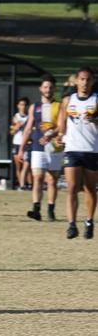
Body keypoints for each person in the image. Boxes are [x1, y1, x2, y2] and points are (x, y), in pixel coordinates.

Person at [55, 66, 98, 239]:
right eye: (82, 79)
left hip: (92, 150)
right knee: (71, 187)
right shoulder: (68, 100)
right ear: (76, 81)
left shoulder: (96, 100)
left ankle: (89, 221)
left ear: (93, 82)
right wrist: (59, 136)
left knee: (90, 188)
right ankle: (71, 225)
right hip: (72, 149)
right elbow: (61, 124)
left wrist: (95, 120)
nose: (85, 83)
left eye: (88, 79)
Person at [19, 76, 62, 222]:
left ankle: (51, 209)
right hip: (37, 148)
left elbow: (61, 126)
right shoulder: (34, 107)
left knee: (52, 181)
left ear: (54, 89)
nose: (48, 90)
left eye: (50, 87)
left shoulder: (59, 106)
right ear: (40, 89)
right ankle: (36, 209)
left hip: (55, 148)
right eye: (45, 87)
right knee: (37, 178)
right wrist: (21, 148)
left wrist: (52, 135)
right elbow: (28, 128)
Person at [11, 97, 31, 190]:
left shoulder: (30, 117)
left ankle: (29, 184)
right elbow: (12, 132)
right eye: (21, 105)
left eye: (25, 105)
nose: (23, 107)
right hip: (17, 143)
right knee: (18, 166)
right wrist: (17, 126)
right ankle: (21, 185)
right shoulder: (16, 117)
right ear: (18, 106)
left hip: (27, 143)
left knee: (27, 165)